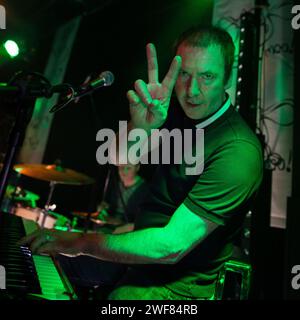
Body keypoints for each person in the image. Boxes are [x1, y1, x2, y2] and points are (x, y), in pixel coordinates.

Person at [19, 25, 263, 300]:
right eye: (184, 74)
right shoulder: (173, 111)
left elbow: (170, 247)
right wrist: (140, 127)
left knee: (120, 301)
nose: (192, 90)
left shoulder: (238, 150)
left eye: (207, 76)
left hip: (178, 286)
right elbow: (118, 158)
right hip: (137, 257)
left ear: (228, 78)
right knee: (34, 261)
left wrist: (81, 241)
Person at [96, 163, 148, 234]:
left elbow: (144, 220)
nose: (123, 171)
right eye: (121, 167)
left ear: (137, 167)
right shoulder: (115, 184)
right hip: (109, 226)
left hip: (128, 231)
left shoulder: (146, 190)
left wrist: (123, 224)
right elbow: (107, 204)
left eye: (128, 168)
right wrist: (103, 209)